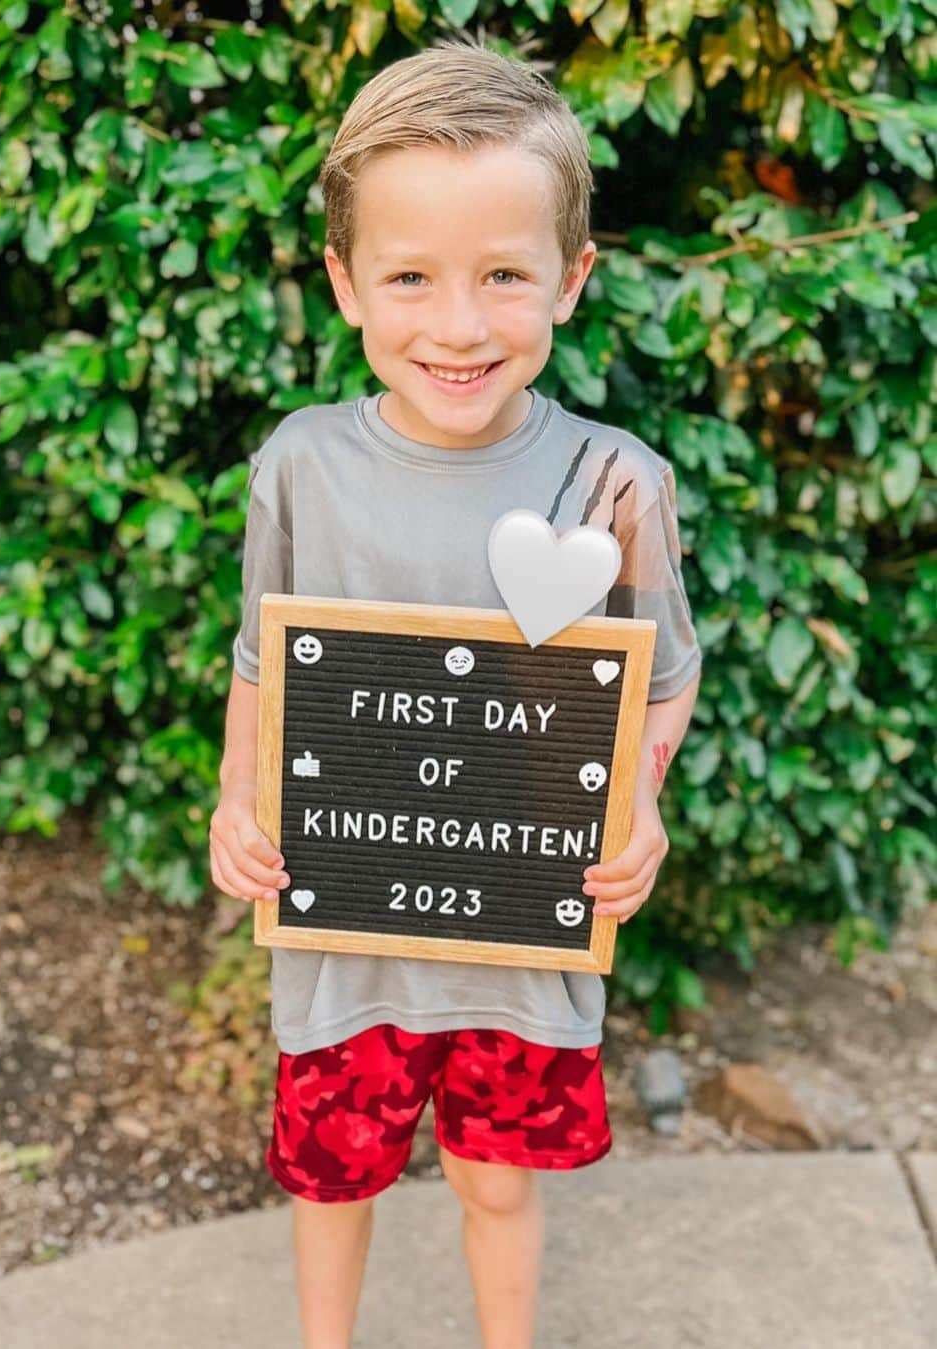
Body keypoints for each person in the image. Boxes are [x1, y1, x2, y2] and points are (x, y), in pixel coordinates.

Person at [209, 37, 702, 1349]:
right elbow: (267, 661)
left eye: (504, 276)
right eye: (411, 277)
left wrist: (636, 811)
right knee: (335, 1176)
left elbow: (652, 682)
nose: (460, 323)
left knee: (500, 1177)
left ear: (572, 280)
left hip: (519, 944)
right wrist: (233, 805)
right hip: (346, 946)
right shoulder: (303, 467)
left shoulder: (617, 483)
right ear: (345, 285)